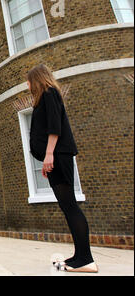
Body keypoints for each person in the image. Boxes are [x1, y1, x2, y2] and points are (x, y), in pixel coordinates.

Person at [27, 64, 98, 273]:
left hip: (58, 156)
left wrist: (49, 154)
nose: (27, 85)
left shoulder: (49, 93)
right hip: (56, 157)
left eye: (29, 80)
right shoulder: (46, 96)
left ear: (37, 79)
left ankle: (86, 259)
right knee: (68, 207)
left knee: (70, 206)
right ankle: (80, 256)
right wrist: (46, 158)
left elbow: (54, 126)